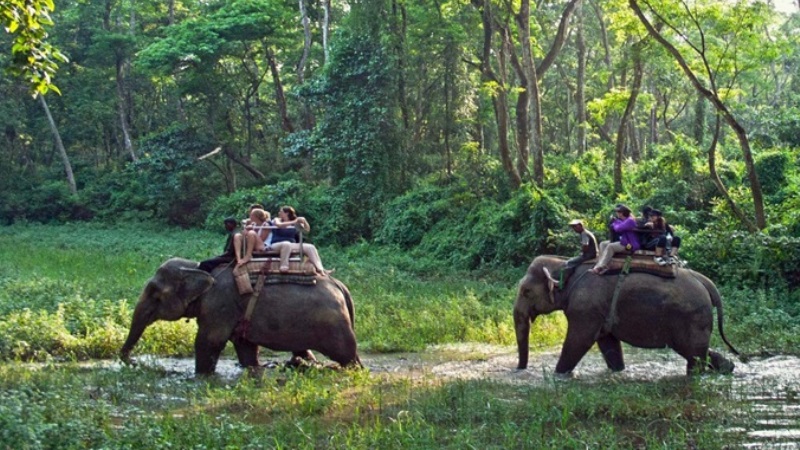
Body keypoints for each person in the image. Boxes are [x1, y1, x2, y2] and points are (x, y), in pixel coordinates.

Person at [270, 205, 330, 276]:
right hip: (277, 244)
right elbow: (279, 225)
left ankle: (320, 269)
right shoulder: (277, 219)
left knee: (310, 247)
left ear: (287, 213)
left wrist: (304, 221)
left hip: (291, 244)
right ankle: (284, 266)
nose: (279, 213)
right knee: (286, 244)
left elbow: (306, 230)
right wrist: (294, 221)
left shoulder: (295, 222)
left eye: (281, 211)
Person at [590, 204, 640, 274]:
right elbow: (617, 226)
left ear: (622, 213)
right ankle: (599, 265)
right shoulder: (623, 220)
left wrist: (614, 222)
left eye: (618, 212)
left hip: (629, 245)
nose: (617, 214)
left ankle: (600, 267)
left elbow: (618, 228)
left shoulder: (630, 221)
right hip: (623, 241)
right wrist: (616, 222)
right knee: (603, 244)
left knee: (611, 246)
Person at [552, 219, 598, 288]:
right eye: (573, 227)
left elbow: (585, 245)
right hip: (592, 253)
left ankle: (563, 281)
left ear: (580, 226)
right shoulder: (586, 232)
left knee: (570, 262)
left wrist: (583, 253)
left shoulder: (584, 233)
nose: (574, 229)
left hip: (590, 255)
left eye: (575, 226)